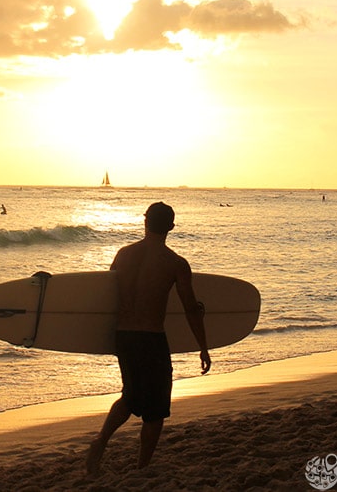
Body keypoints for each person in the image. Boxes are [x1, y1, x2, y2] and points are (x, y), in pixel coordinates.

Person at [86, 202, 211, 475]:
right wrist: (203, 348)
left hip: (123, 336)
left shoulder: (123, 254)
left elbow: (103, 295)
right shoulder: (176, 263)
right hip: (151, 338)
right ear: (171, 227)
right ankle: (143, 466)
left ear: (145, 222)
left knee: (130, 397)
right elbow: (190, 309)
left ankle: (100, 441)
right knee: (156, 410)